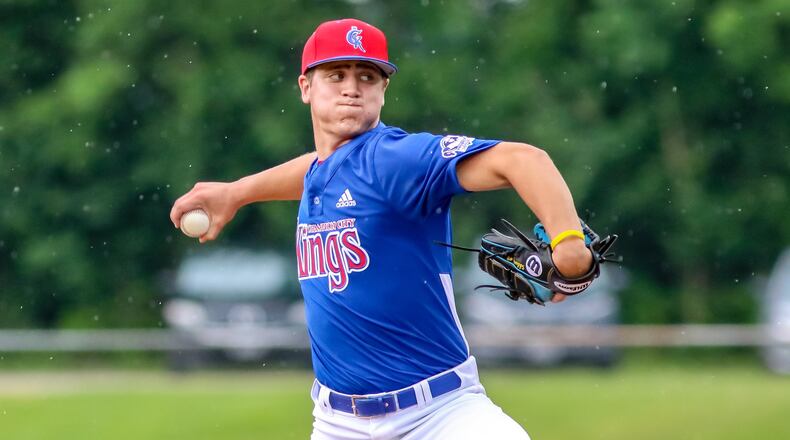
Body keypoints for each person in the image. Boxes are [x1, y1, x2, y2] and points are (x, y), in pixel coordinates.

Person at [171, 18, 593, 440]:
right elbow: (316, 169)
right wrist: (237, 193)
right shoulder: (322, 171)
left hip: (441, 416)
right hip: (337, 425)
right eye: (336, 74)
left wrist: (569, 244)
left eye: (367, 76)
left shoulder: (396, 159)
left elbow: (525, 160)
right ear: (305, 88)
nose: (352, 87)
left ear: (383, 90)